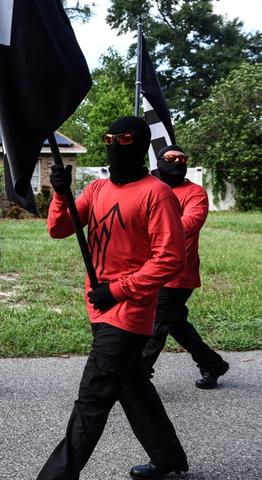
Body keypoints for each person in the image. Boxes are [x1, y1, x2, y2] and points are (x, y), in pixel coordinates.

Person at [38, 116, 190, 480]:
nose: (113, 145)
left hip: (130, 311)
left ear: (138, 144)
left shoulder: (157, 193)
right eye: (108, 138)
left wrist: (118, 289)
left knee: (93, 396)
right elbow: (60, 230)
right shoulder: (98, 189)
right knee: (132, 385)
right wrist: (61, 194)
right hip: (100, 305)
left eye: (123, 139)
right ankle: (167, 457)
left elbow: (170, 259)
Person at [142, 145, 229, 389]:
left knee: (156, 324)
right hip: (148, 270)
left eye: (183, 158)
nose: (178, 161)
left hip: (178, 274)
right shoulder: (149, 187)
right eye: (171, 158)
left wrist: (147, 228)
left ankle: (138, 378)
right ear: (160, 161)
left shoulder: (195, 193)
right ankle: (212, 363)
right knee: (175, 324)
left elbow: (187, 224)